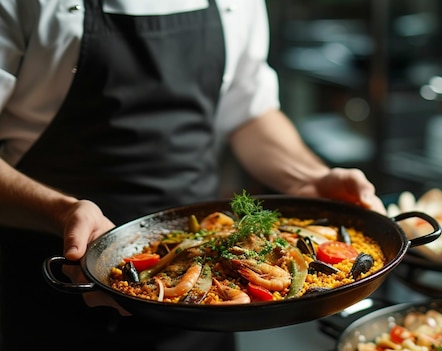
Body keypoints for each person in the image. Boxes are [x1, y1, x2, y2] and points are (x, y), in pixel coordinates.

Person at [0, 1, 386, 350]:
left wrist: (311, 178)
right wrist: (60, 211)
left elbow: (248, 111)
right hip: (53, 280)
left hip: (205, 312)